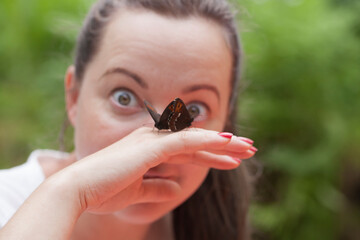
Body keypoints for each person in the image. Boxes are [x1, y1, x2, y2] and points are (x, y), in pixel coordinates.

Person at [0, 0, 258, 239]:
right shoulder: (7, 203)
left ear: (225, 120)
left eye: (194, 111)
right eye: (124, 98)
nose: (156, 146)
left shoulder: (205, 227)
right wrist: (66, 194)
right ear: (74, 98)